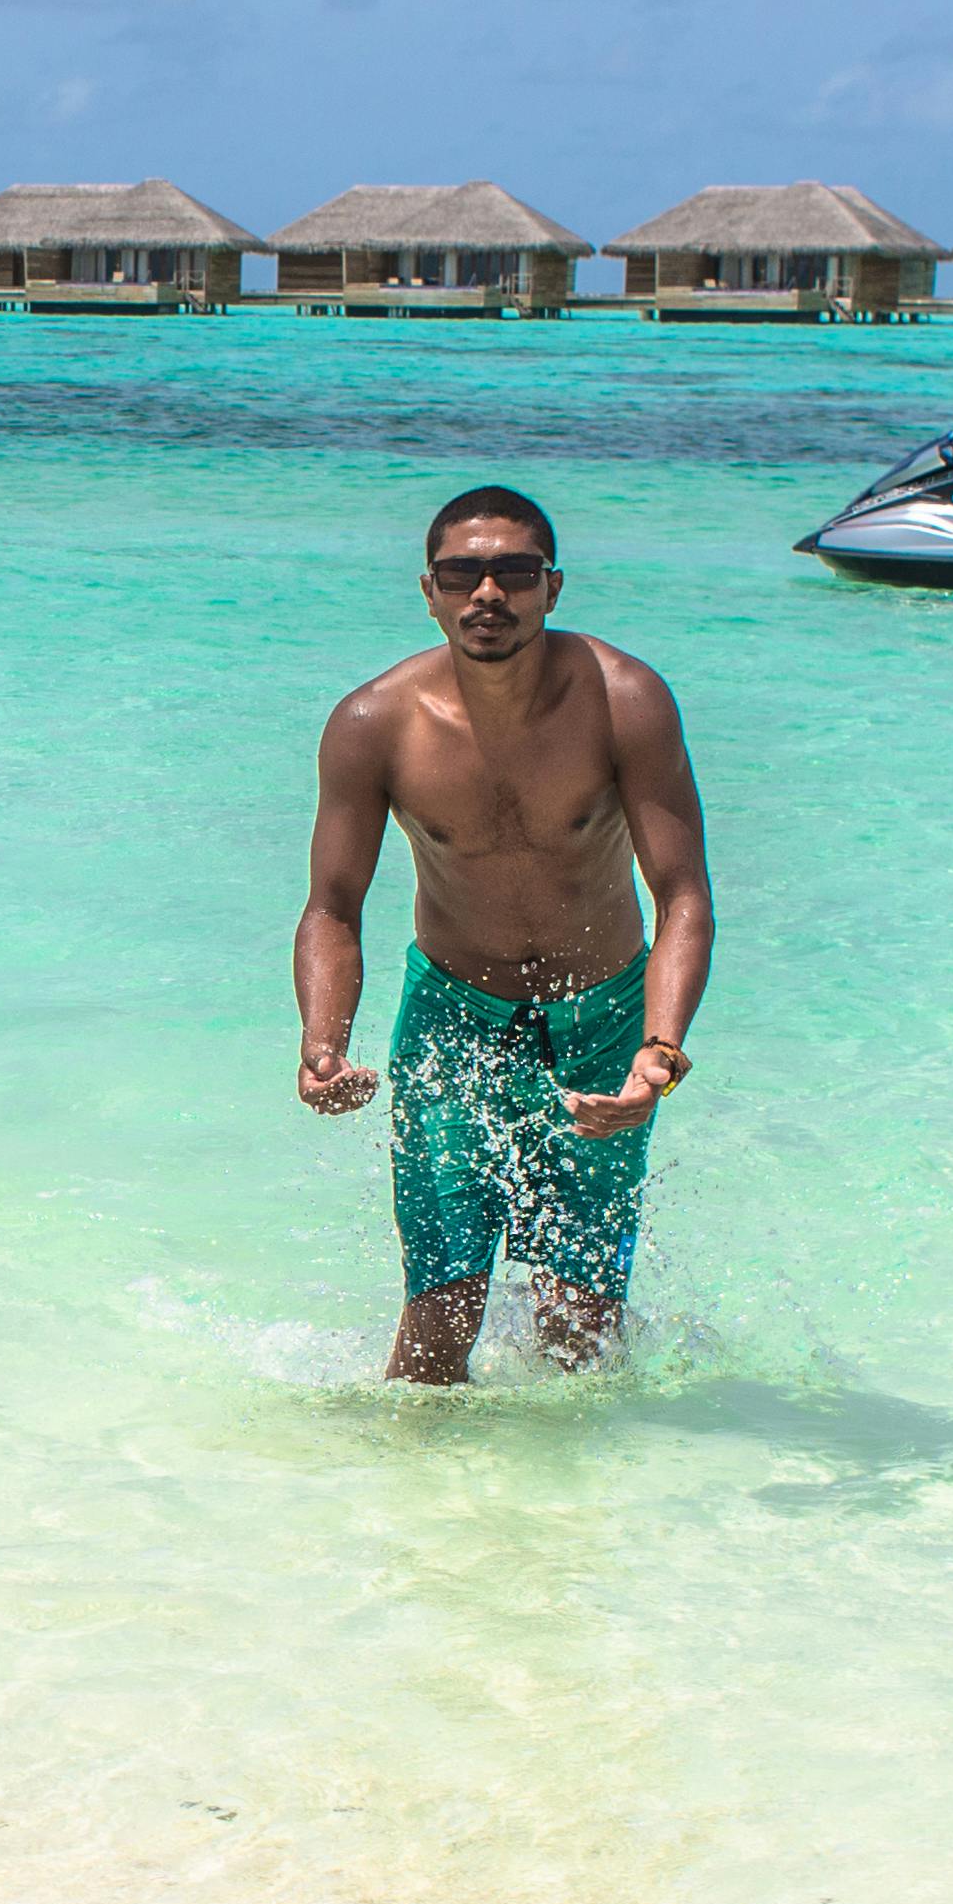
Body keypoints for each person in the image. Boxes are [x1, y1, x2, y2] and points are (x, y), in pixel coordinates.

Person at [294, 481, 712, 1382]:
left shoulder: (625, 700)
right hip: (453, 1017)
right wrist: (322, 1045)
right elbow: (333, 905)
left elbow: (682, 895)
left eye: (516, 573)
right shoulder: (374, 723)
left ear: (552, 587)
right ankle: (410, 1468)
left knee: (581, 1329)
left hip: (604, 1018)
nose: (489, 594)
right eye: (462, 575)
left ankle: (590, 1476)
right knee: (441, 1316)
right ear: (430, 591)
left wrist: (660, 1049)